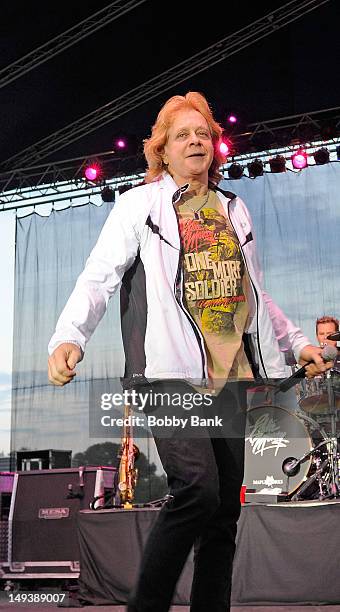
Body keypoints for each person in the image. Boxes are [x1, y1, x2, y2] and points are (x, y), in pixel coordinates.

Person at [48, 92, 330, 612]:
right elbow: (99, 276)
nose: (195, 141)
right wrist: (69, 336)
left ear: (215, 145)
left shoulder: (233, 209)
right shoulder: (142, 204)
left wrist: (296, 343)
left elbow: (254, 293)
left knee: (223, 511)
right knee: (196, 491)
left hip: (230, 376)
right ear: (163, 151)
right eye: (182, 135)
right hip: (169, 373)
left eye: (202, 133)